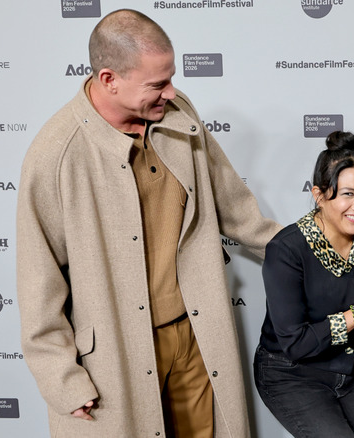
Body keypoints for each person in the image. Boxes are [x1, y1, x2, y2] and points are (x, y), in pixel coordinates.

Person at [16, 9, 280, 438]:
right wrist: (61, 378)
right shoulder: (55, 156)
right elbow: (37, 281)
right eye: (157, 84)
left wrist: (322, 248)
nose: (171, 91)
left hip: (194, 336)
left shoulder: (178, 114)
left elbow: (238, 211)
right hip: (114, 356)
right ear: (109, 79)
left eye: (171, 77)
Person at [254, 131, 354, 438]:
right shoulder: (287, 250)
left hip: (353, 373)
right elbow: (295, 342)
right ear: (319, 194)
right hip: (292, 374)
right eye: (347, 194)